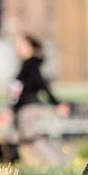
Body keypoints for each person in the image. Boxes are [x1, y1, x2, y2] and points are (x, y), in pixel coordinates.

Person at [9, 34, 69, 166]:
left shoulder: (31, 65)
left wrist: (56, 103)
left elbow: (41, 85)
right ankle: (9, 169)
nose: (18, 48)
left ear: (31, 47)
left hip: (28, 109)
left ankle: (60, 163)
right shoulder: (26, 65)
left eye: (22, 45)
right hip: (22, 109)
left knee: (30, 139)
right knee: (18, 138)